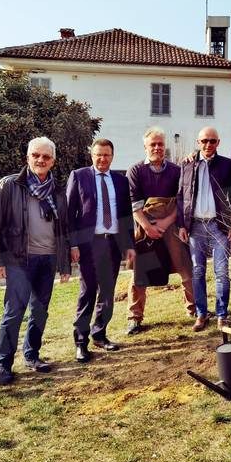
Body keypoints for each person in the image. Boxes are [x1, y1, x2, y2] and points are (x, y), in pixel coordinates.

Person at [0, 136, 71, 384]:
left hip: (47, 259)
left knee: (40, 311)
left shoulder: (58, 192)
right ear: (27, 158)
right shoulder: (9, 186)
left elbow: (64, 230)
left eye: (46, 157)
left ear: (53, 161)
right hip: (18, 260)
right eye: (36, 155)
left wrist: (64, 264)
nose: (40, 160)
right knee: (14, 312)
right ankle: (4, 365)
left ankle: (32, 355)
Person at [66, 138, 135, 363]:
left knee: (107, 293)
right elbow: (69, 213)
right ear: (92, 155)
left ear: (112, 156)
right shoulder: (79, 176)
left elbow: (126, 215)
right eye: (98, 154)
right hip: (89, 244)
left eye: (106, 155)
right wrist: (73, 244)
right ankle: (81, 342)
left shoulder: (121, 180)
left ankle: (100, 334)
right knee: (88, 292)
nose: (102, 159)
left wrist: (129, 246)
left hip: (112, 244)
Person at [125, 128, 194, 334]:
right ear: (145, 147)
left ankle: (194, 309)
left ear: (165, 146)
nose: (157, 148)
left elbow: (181, 201)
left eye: (160, 144)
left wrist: (166, 223)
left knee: (185, 268)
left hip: (170, 225)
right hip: (145, 226)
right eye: (153, 144)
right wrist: (148, 227)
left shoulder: (175, 170)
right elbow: (134, 205)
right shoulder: (135, 170)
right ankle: (134, 317)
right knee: (139, 275)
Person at [177, 127, 231, 331]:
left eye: (212, 141)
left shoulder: (227, 165)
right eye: (204, 141)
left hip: (218, 226)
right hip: (195, 227)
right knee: (197, 271)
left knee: (221, 272)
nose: (208, 145)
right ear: (198, 141)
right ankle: (201, 314)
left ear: (218, 142)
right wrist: (181, 225)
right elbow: (180, 196)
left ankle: (222, 314)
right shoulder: (187, 165)